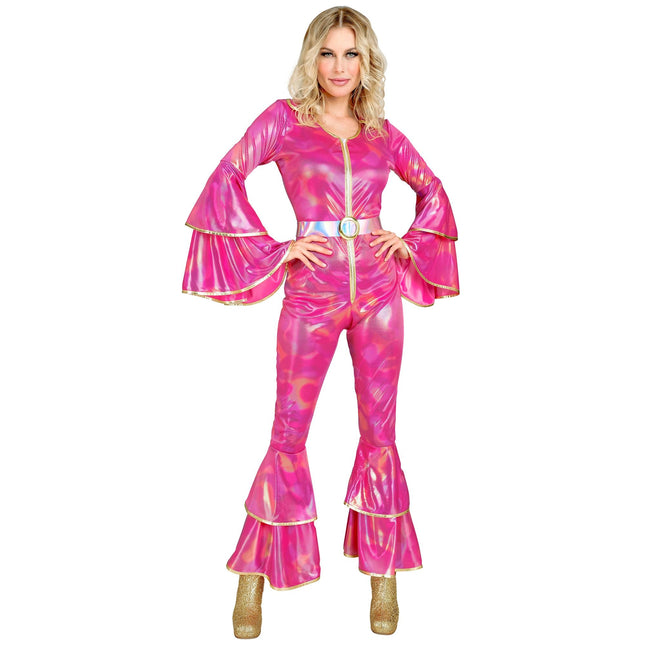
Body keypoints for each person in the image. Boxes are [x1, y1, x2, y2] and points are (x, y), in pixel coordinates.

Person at [182, 6, 459, 638]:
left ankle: (383, 575)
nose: (339, 66)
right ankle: (253, 574)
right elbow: (227, 176)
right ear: (312, 58)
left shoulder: (381, 131)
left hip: (379, 295)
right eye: (328, 53)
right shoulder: (285, 120)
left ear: (367, 62)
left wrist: (408, 242)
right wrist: (277, 250)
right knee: (288, 430)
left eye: (351, 54)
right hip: (312, 294)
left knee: (381, 431)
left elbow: (433, 189)